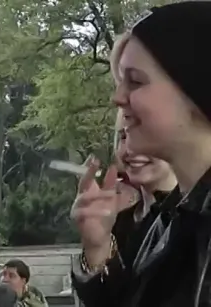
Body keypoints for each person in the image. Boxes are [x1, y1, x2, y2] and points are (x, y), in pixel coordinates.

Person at [80, 1, 211, 305]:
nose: (117, 98)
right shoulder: (168, 217)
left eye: (135, 81)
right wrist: (98, 250)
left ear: (195, 88)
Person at [71, 110, 177, 306]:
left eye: (146, 133)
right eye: (123, 136)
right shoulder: (117, 222)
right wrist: (96, 246)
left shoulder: (193, 221)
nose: (131, 147)